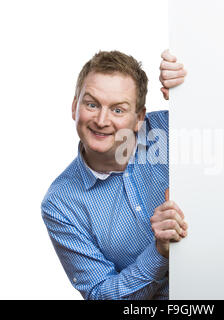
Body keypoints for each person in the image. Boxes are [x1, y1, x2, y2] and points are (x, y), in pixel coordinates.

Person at [41, 49, 187, 300]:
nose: (101, 120)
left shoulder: (174, 128)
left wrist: (192, 91)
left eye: (118, 110)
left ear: (139, 118)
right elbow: (101, 295)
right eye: (91, 104)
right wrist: (159, 252)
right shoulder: (60, 204)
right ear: (75, 107)